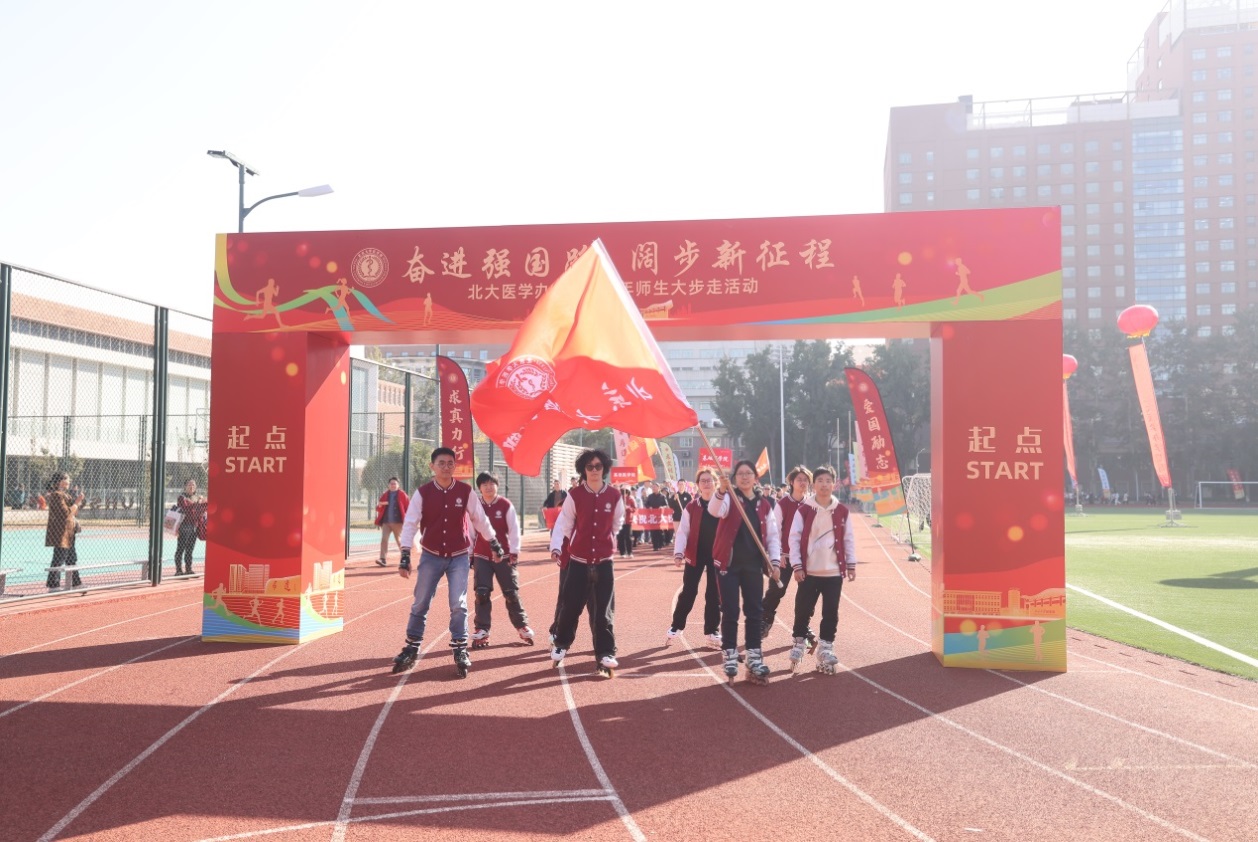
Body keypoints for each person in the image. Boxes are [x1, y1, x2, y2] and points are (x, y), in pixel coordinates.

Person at [391, 448, 504, 678]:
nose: (446, 467)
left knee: (458, 603)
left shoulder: (465, 491)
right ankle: (412, 647)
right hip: (431, 555)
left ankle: (460, 648)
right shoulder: (423, 493)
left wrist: (493, 542)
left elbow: (480, 519)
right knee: (421, 602)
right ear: (432, 466)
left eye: (450, 463)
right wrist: (405, 554)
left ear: (455, 466)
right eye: (441, 463)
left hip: (459, 556)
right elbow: (411, 523)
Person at [549, 449, 624, 676]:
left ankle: (605, 652)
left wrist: (606, 542)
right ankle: (561, 643)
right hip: (579, 561)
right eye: (589, 466)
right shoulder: (575, 495)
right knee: (571, 606)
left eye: (598, 466)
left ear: (604, 469)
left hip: (604, 561)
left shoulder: (614, 495)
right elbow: (566, 524)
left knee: (603, 611)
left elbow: (617, 523)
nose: (594, 470)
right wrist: (574, 543)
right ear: (583, 469)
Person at [708, 459, 781, 684]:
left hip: (753, 566)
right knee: (730, 611)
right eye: (740, 473)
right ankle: (730, 655)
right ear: (735, 478)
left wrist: (775, 562)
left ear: (755, 478)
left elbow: (773, 536)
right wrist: (721, 490)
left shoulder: (764, 505)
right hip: (728, 565)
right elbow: (714, 510)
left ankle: (754, 656)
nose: (745, 477)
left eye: (749, 473)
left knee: (754, 611)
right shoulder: (729, 498)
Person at [787, 466, 857, 675]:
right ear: (814, 484)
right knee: (802, 608)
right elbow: (794, 538)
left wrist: (851, 564)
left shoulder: (842, 511)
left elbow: (848, 538)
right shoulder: (804, 510)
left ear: (833, 484)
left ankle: (826, 647)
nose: (824, 485)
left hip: (833, 572)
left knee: (830, 612)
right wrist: (797, 565)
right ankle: (799, 641)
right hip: (809, 571)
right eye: (820, 481)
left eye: (828, 481)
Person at [469, 471, 533, 647]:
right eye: (484, 484)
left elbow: (514, 530)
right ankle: (482, 629)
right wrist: (470, 554)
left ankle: (522, 626)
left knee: (511, 593)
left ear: (497, 485)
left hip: (503, 556)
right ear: (479, 487)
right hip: (482, 555)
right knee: (481, 593)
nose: (488, 487)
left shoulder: (505, 505)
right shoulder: (475, 506)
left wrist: (514, 552)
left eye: (492, 483)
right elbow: (470, 532)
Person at [665, 468, 723, 649]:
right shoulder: (691, 507)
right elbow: (683, 531)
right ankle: (676, 625)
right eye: (702, 481)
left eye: (709, 480)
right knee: (689, 591)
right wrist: (678, 553)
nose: (706, 483)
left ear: (716, 483)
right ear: (697, 485)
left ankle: (712, 631)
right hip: (695, 553)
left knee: (714, 593)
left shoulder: (724, 505)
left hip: (717, 555)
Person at [761, 466, 817, 647]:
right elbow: (775, 530)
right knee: (777, 589)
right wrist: (777, 555)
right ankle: (764, 619)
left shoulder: (813, 504)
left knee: (807, 594)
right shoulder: (783, 504)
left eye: (806, 480)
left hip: (806, 558)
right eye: (799, 479)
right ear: (792, 482)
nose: (803, 483)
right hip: (785, 555)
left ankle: (803, 627)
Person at [45, 472, 84, 589]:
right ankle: (53, 585)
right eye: (67, 479)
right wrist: (76, 503)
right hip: (61, 532)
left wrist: (77, 502)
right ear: (60, 482)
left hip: (69, 532)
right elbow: (66, 513)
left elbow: (74, 512)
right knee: (59, 558)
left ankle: (76, 583)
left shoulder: (66, 495)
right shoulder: (56, 495)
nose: (69, 481)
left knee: (71, 558)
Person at [174, 479, 208, 575]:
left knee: (190, 549)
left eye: (193, 485)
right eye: (189, 484)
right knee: (181, 548)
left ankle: (188, 569)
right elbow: (186, 509)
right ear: (185, 486)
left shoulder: (196, 497)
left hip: (194, 526)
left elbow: (201, 509)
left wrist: (204, 502)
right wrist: (198, 503)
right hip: (184, 526)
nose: (191, 486)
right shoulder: (182, 497)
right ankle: (178, 570)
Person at [374, 477, 410, 567]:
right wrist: (380, 505)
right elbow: (378, 508)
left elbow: (408, 507)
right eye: (391, 483)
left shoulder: (402, 494)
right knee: (384, 539)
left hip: (398, 522)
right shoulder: (385, 494)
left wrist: (409, 519)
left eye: (395, 483)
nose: (393, 485)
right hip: (386, 522)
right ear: (388, 485)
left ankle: (405, 559)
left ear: (398, 485)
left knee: (399, 541)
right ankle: (383, 559)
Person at [644, 482, 668, 550]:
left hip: (660, 516)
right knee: (653, 531)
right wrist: (649, 507)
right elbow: (646, 504)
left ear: (658, 488)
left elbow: (666, 505)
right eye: (653, 487)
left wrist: (662, 507)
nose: (653, 488)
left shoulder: (662, 496)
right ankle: (655, 546)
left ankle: (660, 544)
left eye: (655, 487)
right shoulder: (650, 496)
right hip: (652, 516)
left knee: (660, 531)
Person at [617, 487, 636, 558]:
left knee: (628, 537)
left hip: (628, 521)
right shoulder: (618, 499)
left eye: (626, 492)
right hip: (620, 520)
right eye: (623, 492)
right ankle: (622, 552)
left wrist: (628, 508)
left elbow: (634, 509)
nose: (624, 494)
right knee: (620, 537)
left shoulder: (631, 499)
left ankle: (630, 552)